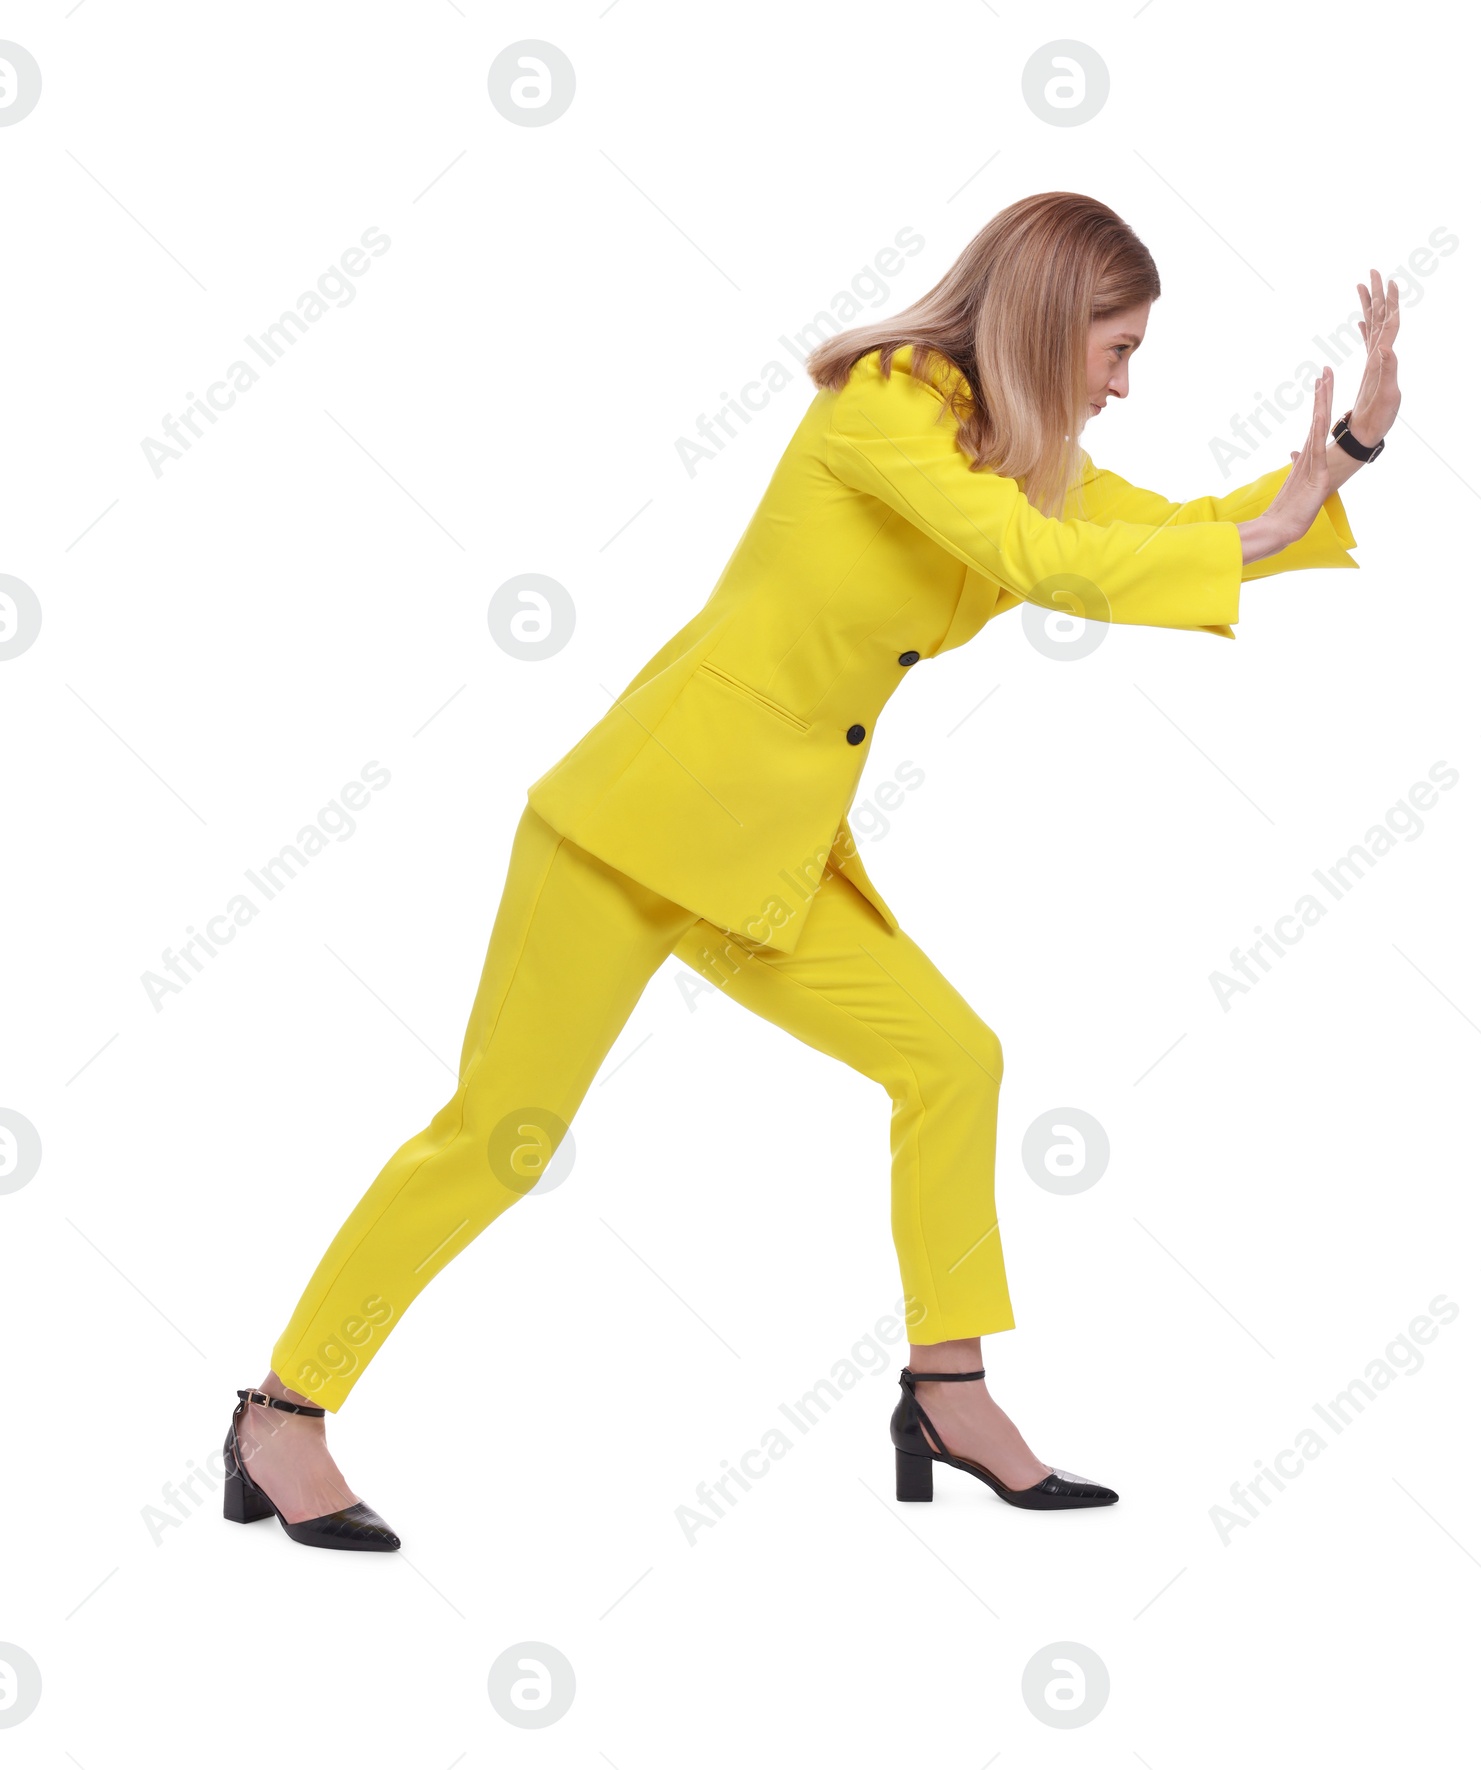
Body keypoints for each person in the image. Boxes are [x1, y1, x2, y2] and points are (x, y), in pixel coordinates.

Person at [221, 191, 1401, 1549]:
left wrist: (1357, 446)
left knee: (951, 1060)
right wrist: (1237, 533)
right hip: (636, 820)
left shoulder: (1028, 457)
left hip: (768, 852)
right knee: (498, 1134)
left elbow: (1171, 530)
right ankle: (281, 1413)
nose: (1127, 382)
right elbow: (1046, 563)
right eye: (1116, 347)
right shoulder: (889, 407)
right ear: (1039, 319)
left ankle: (948, 1392)